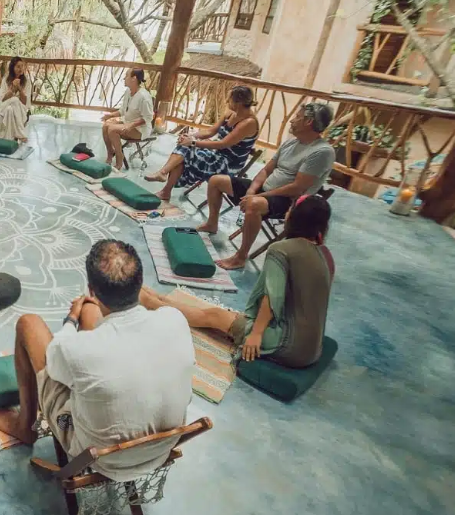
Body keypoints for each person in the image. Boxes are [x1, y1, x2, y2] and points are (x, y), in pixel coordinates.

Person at [0, 240, 194, 481]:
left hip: (102, 458)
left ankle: (25, 427)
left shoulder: (76, 349)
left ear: (91, 290)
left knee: (29, 324)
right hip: (160, 448)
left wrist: (72, 318)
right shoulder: (174, 319)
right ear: (140, 284)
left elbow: (55, 359)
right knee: (91, 313)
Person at [141, 196, 334, 368]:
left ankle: (149, 301)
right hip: (312, 349)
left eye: (290, 209)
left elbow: (272, 297)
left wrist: (256, 334)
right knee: (223, 314)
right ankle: (157, 297)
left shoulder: (282, 249)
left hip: (287, 347)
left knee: (213, 315)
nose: (286, 212)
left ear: (295, 218)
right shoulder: (325, 255)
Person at [197, 102, 335, 270]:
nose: (292, 120)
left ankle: (240, 257)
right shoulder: (291, 143)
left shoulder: (321, 152)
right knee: (216, 181)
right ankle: (212, 223)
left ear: (308, 122)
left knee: (254, 204)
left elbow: (297, 187)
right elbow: (266, 170)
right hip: (265, 192)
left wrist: (257, 196)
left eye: (297, 117)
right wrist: (251, 190)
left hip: (289, 201)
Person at [145, 85, 260, 201]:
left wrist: (193, 142)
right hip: (216, 154)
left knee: (186, 151)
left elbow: (222, 144)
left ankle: (164, 184)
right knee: (184, 148)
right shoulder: (230, 114)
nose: (226, 101)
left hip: (227, 164)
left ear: (238, 103)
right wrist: (190, 136)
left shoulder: (249, 123)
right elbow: (210, 131)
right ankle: (164, 179)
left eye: (229, 99)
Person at [102, 68, 154, 171]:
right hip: (127, 122)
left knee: (112, 129)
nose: (124, 78)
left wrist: (131, 125)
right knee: (106, 125)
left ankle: (119, 158)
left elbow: (148, 117)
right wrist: (110, 115)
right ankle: (110, 152)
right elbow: (122, 110)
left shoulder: (144, 97)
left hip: (140, 129)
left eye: (126, 76)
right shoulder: (128, 91)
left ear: (134, 78)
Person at [0, 56, 32, 143]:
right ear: (12, 68)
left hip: (20, 109)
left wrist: (19, 88)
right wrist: (12, 88)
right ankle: (20, 134)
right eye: (18, 66)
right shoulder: (6, 80)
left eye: (22, 66)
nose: (21, 69)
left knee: (10, 109)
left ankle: (8, 139)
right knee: (14, 100)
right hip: (5, 105)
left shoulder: (27, 82)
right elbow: (3, 99)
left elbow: (25, 102)